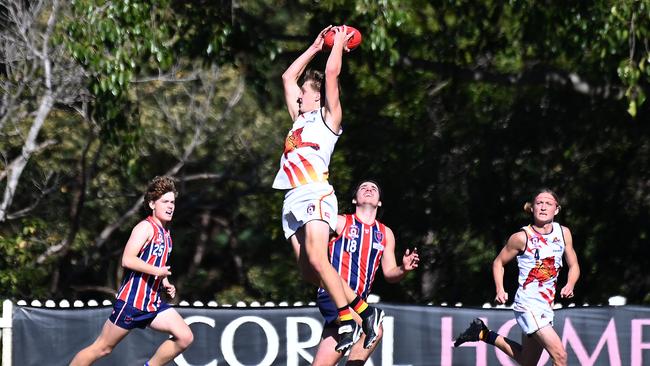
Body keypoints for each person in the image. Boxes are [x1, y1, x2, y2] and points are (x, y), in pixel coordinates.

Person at [273, 25, 382, 353]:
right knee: (308, 272)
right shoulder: (298, 119)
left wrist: (339, 45)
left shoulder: (327, 118)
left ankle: (348, 318)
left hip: (314, 192)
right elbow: (287, 78)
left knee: (320, 259)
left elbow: (332, 73)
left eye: (305, 93)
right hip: (290, 198)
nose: (299, 95)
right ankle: (365, 310)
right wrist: (316, 45)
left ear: (316, 97)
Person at [71, 176, 193, 366]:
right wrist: (157, 271)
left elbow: (156, 266)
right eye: (165, 202)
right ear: (152, 204)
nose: (170, 206)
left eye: (172, 202)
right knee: (102, 348)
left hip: (152, 304)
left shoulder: (166, 234)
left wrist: (165, 283)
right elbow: (128, 260)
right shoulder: (145, 227)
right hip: (132, 303)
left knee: (184, 336)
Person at [454, 189, 580, 366]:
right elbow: (498, 263)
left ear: (556, 210)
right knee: (560, 356)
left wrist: (570, 284)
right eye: (539, 203)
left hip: (545, 305)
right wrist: (500, 288)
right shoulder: (522, 237)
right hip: (528, 305)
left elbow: (574, 265)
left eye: (548, 204)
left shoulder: (563, 233)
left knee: (527, 361)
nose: (543, 207)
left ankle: (482, 333)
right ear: (533, 208)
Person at [307, 180, 419, 365]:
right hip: (334, 295)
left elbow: (390, 273)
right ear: (354, 199)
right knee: (375, 328)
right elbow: (313, 237)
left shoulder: (385, 233)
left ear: (380, 202)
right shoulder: (339, 221)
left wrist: (403, 269)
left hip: (358, 302)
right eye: (363, 188)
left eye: (374, 188)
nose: (369, 189)